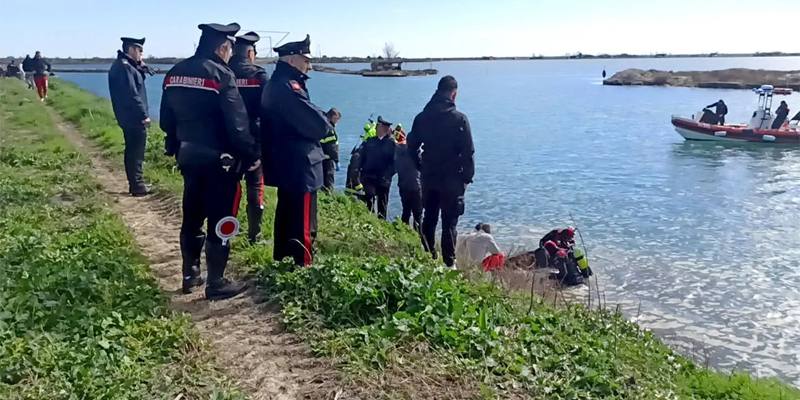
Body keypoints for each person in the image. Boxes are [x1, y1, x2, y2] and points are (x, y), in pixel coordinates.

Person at [160, 22, 259, 300]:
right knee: (222, 218)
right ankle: (216, 282)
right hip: (221, 161)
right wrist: (251, 155)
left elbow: (166, 118)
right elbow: (238, 125)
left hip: (188, 155)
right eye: (229, 49)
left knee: (192, 214)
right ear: (223, 47)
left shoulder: (174, 73)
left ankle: (190, 274)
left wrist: (177, 142)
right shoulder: (221, 75)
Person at [260, 35, 331, 266]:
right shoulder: (288, 87)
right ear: (292, 60)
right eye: (305, 59)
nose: (308, 65)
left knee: (287, 217)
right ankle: (304, 267)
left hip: (287, 163)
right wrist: (326, 121)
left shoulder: (278, 83)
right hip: (301, 165)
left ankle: (283, 262)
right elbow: (317, 124)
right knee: (303, 223)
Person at [408, 76, 475, 267]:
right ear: (454, 94)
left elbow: (411, 146)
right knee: (449, 223)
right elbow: (468, 151)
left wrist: (419, 165)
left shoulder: (422, 118)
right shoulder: (459, 119)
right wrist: (467, 178)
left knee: (429, 218)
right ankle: (449, 264)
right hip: (452, 179)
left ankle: (429, 256)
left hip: (429, 176)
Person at [230, 31, 269, 243]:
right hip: (254, 140)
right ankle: (255, 235)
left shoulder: (223, 71)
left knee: (229, 187)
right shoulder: (258, 75)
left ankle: (227, 230)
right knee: (255, 186)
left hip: (228, 140)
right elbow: (267, 112)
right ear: (250, 53)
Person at [108, 37, 152, 197]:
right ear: (132, 49)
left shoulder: (124, 66)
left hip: (127, 115)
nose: (141, 54)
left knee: (133, 150)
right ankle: (137, 185)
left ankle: (136, 183)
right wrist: (143, 115)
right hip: (133, 117)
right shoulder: (124, 67)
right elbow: (132, 94)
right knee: (136, 152)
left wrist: (141, 67)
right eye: (140, 50)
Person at [359, 116, 396, 219]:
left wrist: (388, 175)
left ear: (385, 129)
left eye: (379, 127)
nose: (376, 129)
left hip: (383, 178)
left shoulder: (391, 143)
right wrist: (361, 172)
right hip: (369, 176)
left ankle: (381, 223)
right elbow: (362, 157)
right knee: (369, 199)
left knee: (382, 204)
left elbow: (395, 163)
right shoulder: (370, 141)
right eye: (377, 127)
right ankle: (369, 219)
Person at [393, 124, 422, 231]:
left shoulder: (397, 153)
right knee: (418, 215)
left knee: (406, 212)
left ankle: (403, 233)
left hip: (403, 186)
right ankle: (419, 238)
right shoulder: (414, 153)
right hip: (416, 186)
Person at [320, 108, 341, 191]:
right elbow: (332, 147)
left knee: (321, 182)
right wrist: (336, 160)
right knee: (328, 183)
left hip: (320, 158)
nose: (337, 122)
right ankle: (329, 198)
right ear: (333, 117)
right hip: (328, 160)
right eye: (337, 119)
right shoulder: (330, 130)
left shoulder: (322, 125)